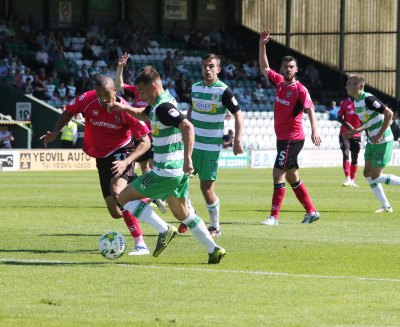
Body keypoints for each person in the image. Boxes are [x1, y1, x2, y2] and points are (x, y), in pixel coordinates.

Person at [108, 65, 226, 264]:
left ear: (153, 87)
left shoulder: (163, 107)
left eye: (143, 92)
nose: (141, 96)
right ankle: (213, 248)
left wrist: (189, 158)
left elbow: (187, 125)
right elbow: (145, 114)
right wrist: (124, 108)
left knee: (123, 197)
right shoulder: (159, 104)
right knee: (182, 213)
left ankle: (164, 230)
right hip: (176, 172)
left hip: (166, 171)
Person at [40, 76, 159, 256]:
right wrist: (56, 132)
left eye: (106, 95)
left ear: (115, 92)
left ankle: (140, 244)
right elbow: (69, 111)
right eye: (99, 95)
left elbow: (144, 142)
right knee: (115, 211)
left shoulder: (125, 109)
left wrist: (127, 162)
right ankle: (144, 197)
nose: (103, 99)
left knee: (119, 193)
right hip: (101, 157)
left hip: (122, 152)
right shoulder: (88, 99)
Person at [258, 29, 322, 226]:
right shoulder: (278, 83)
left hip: (292, 138)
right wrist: (262, 44)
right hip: (282, 138)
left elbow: (310, 109)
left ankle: (273, 217)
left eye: (291, 67)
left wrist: (315, 130)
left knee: (278, 173)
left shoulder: (300, 89)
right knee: (293, 175)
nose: (287, 69)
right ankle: (311, 211)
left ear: (296, 70)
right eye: (285, 66)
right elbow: (264, 68)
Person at [185, 54, 244, 237]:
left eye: (211, 66)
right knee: (179, 182)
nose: (207, 69)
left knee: (206, 188)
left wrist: (237, 140)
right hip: (192, 146)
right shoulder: (194, 88)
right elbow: (191, 111)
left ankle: (215, 227)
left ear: (218, 69)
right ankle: (190, 217)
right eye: (204, 66)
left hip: (210, 148)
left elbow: (238, 114)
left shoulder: (223, 91)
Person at [115, 52, 167, 213]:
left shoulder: (158, 98)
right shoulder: (136, 91)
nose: (141, 93)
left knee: (152, 167)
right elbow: (119, 86)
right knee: (143, 168)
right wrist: (120, 67)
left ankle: (156, 195)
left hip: (153, 136)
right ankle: (152, 196)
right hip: (138, 135)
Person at [344, 74, 400, 213]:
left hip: (382, 141)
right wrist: (354, 131)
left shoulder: (368, 98)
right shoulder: (356, 102)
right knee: (367, 173)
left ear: (359, 86)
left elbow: (389, 113)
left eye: (350, 83)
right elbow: (368, 122)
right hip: (371, 141)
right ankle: (386, 205)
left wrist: (380, 134)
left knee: (376, 176)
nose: (346, 86)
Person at [337, 97, 361, 187]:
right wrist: (348, 125)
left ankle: (353, 180)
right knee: (346, 154)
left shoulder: (362, 102)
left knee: (355, 157)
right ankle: (347, 179)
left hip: (357, 134)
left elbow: (365, 120)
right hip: (345, 133)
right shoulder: (344, 102)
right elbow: (339, 118)